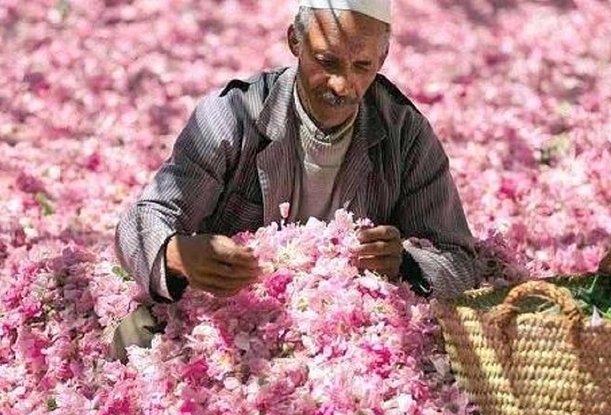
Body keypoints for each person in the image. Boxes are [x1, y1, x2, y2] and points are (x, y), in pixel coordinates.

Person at [112, 0, 477, 362]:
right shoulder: (235, 114)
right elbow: (143, 217)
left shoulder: (405, 134)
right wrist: (177, 255)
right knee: (136, 339)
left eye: (362, 66)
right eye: (327, 61)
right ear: (295, 42)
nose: (342, 84)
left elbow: (458, 258)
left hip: (350, 339)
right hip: (232, 324)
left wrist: (405, 264)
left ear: (382, 60)